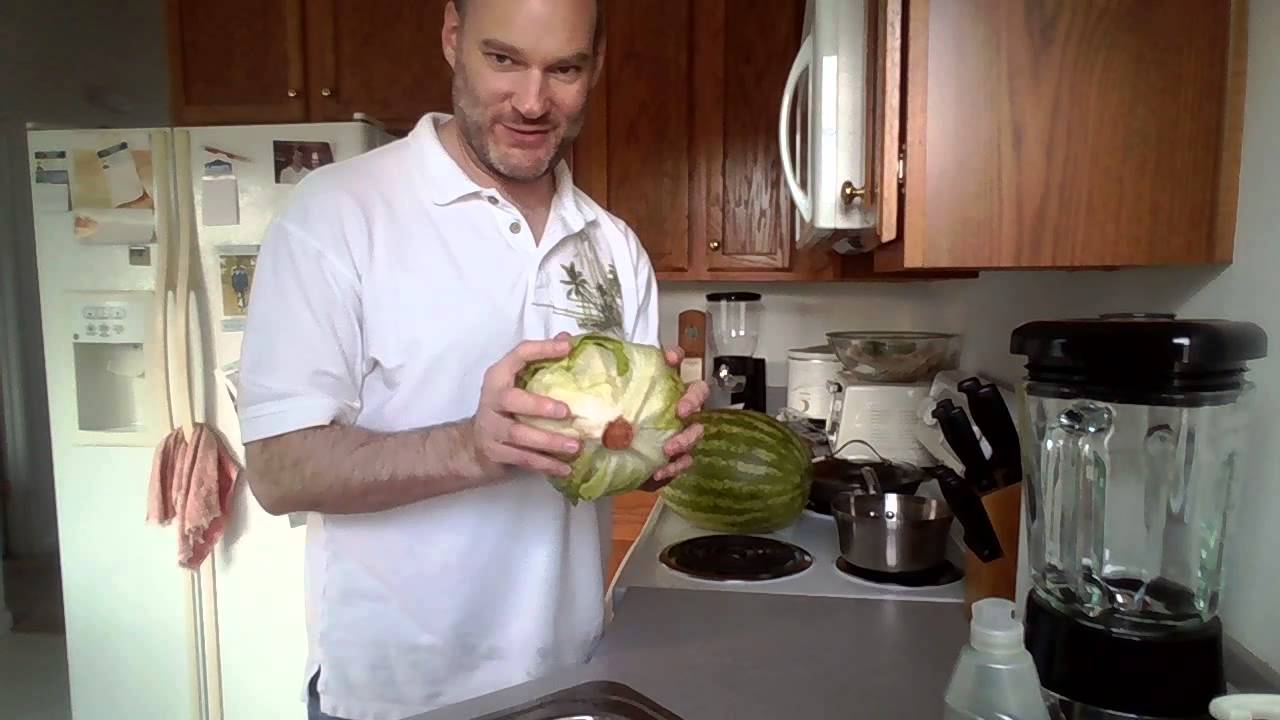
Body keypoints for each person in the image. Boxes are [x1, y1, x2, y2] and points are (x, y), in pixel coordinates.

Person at [235, 1, 709, 719]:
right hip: (397, 698)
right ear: (453, 37)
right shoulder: (337, 214)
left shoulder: (613, 246)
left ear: (595, 67)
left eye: (565, 69)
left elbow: (600, 463)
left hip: (567, 679)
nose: (532, 102)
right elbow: (277, 471)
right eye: (504, 59)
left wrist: (652, 450)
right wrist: (473, 448)